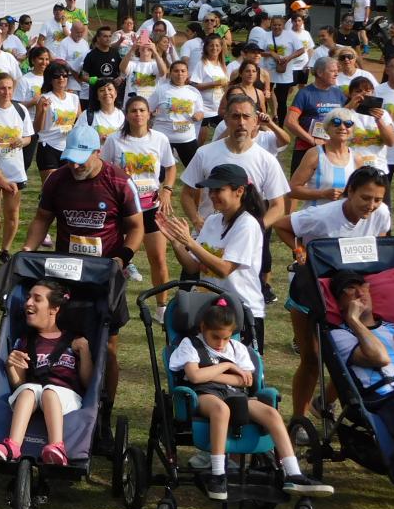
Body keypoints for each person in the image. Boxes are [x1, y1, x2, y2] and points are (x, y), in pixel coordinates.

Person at [21, 123, 142, 448]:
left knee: (108, 347)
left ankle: (103, 411)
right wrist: (27, 251)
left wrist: (122, 258)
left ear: (97, 152)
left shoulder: (118, 180)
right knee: (59, 340)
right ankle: (57, 400)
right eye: (69, 158)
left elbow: (135, 226)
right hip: (65, 275)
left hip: (104, 278)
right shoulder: (58, 180)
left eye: (80, 159)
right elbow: (42, 218)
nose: (74, 165)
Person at [166, 298, 333, 499]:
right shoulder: (190, 344)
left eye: (226, 338)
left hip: (236, 395)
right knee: (221, 410)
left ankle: (293, 473)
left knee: (271, 413)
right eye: (215, 337)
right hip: (204, 394)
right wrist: (228, 366)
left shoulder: (237, 348)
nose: (221, 344)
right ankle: (218, 475)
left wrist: (213, 372)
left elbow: (245, 381)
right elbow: (195, 377)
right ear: (202, 328)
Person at [273, 166, 391, 420]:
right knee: (312, 359)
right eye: (365, 197)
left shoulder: (381, 214)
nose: (371, 205)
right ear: (350, 191)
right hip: (310, 292)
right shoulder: (322, 216)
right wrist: (300, 253)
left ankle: (323, 402)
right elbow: (281, 225)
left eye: (378, 199)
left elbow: (379, 245)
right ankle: (299, 418)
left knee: (351, 357)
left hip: (352, 295)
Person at [0, 279, 93, 466]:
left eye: (37, 299)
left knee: (50, 392)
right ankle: (12, 446)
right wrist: (12, 367)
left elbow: (87, 382)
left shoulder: (74, 341)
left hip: (66, 396)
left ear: (54, 308)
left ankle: (57, 446)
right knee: (27, 391)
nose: (28, 303)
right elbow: (19, 384)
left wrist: (85, 352)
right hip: (33, 392)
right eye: (27, 298)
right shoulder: (25, 342)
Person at [164, 163, 271, 351]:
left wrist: (190, 242)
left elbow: (224, 269)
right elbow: (192, 268)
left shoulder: (247, 225)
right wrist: (176, 243)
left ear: (239, 191)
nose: (212, 195)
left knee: (241, 375)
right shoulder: (213, 220)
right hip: (210, 309)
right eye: (210, 190)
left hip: (241, 314)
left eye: (218, 190)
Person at [102, 95, 176, 288]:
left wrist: (167, 189)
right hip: (123, 208)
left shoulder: (160, 139)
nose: (138, 114)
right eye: (133, 110)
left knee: (159, 259)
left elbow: (171, 167)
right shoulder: (114, 140)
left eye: (142, 110)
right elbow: (103, 168)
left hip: (151, 205)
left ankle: (162, 306)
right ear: (126, 115)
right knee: (115, 259)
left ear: (149, 113)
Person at [328, 270, 394, 443]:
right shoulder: (341, 335)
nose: (360, 293)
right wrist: (353, 320)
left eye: (363, 287)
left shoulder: (391, 327)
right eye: (350, 289)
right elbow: (380, 358)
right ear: (340, 304)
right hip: (382, 398)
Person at [0, 72, 34, 261]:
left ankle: (5, 250)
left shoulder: (20, 110)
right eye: (2, 88)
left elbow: (29, 137)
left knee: (12, 214)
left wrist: (21, 141)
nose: (6, 92)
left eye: (10, 88)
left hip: (15, 171)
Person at [288, 107, 357, 210]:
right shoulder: (315, 154)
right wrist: (323, 194)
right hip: (315, 220)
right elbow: (292, 190)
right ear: (327, 128)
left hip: (343, 222)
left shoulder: (357, 159)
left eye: (348, 124)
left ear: (353, 129)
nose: (342, 127)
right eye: (336, 122)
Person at [149, 59, 204, 167]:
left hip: (187, 138)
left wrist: (198, 116)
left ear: (187, 73)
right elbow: (148, 109)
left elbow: (201, 112)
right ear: (170, 73)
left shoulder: (193, 91)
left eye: (183, 71)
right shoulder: (160, 90)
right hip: (163, 138)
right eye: (176, 71)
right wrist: (151, 116)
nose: (180, 74)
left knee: (195, 170)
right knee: (159, 172)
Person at [33, 62, 81, 182]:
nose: (61, 78)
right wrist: (43, 111)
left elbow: (80, 123)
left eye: (64, 75)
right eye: (56, 76)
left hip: (68, 147)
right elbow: (37, 129)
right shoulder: (45, 99)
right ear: (50, 79)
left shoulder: (74, 98)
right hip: (48, 146)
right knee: (50, 186)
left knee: (69, 187)